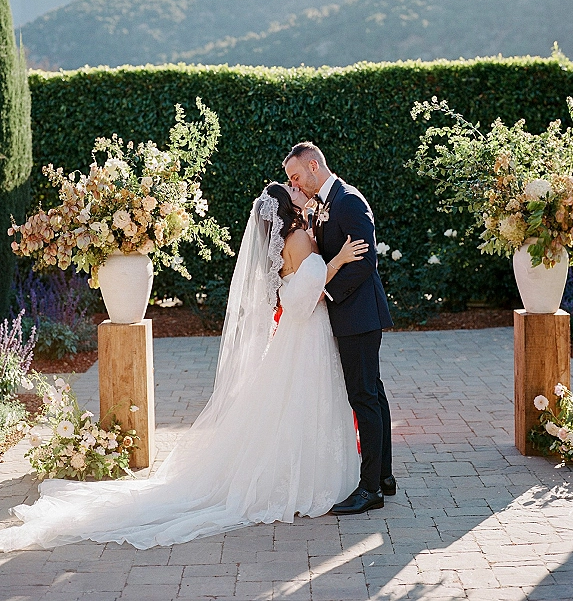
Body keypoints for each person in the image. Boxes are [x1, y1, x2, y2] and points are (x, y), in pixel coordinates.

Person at [0, 183, 366, 552]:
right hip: (306, 334)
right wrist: (337, 261)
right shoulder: (300, 238)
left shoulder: (294, 237)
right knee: (304, 402)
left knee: (291, 406)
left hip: (298, 337)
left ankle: (296, 473)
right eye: (291, 186)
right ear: (288, 206)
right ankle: (305, 480)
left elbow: (288, 293)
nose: (297, 186)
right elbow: (300, 299)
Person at [284, 142, 396, 515]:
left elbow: (365, 262)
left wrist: (324, 292)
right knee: (372, 393)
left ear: (314, 165)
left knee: (364, 397)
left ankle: (369, 491)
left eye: (297, 176)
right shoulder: (324, 205)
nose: (296, 185)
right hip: (352, 315)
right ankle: (383, 477)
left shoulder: (348, 201)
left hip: (358, 315)